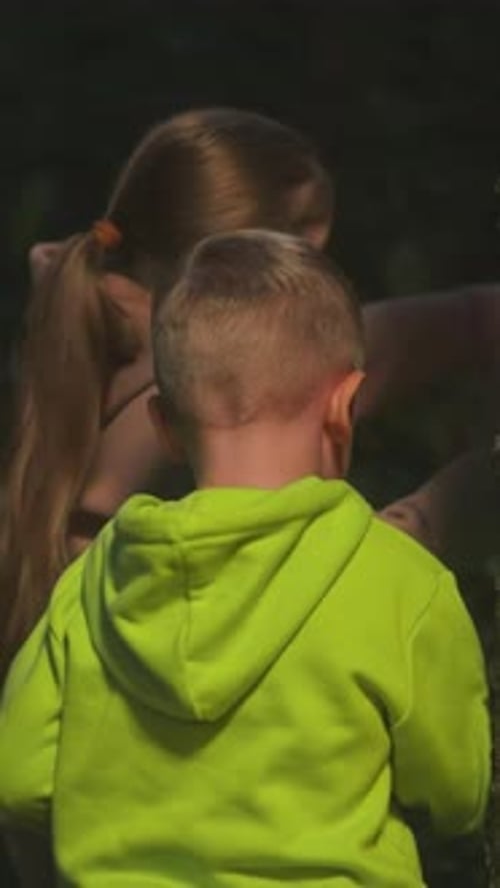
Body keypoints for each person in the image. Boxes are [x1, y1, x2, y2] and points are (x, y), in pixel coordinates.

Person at [0, 230, 490, 887]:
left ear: (165, 426)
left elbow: (19, 778)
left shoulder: (94, 583)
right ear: (344, 408)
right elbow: (456, 791)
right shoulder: (400, 582)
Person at [3, 106, 499, 692]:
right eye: (301, 260)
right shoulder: (169, 403)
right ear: (225, 266)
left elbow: (450, 324)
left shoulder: (75, 339)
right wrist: (415, 530)